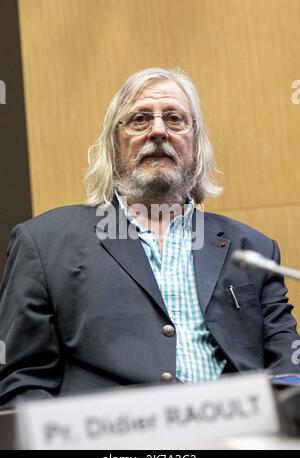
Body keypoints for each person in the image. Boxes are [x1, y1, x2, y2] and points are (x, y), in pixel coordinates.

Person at [0, 67, 299, 409]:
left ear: (196, 144)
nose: (158, 131)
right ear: (115, 145)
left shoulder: (253, 250)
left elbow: (288, 366)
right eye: (140, 119)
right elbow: (20, 384)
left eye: (174, 119)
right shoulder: (44, 243)